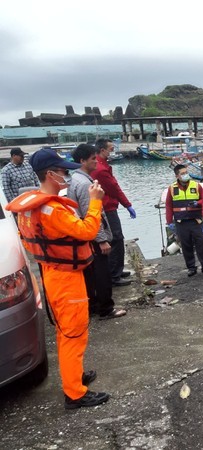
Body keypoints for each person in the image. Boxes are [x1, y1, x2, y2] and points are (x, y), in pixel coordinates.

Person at [6, 148, 110, 409]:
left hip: (52, 273)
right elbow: (87, 231)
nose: (67, 175)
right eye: (63, 171)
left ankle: (73, 376)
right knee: (74, 334)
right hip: (66, 279)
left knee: (67, 332)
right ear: (51, 174)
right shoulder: (53, 210)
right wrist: (95, 200)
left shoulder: (30, 207)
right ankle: (75, 393)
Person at [68, 144, 127, 320]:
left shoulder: (75, 180)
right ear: (82, 160)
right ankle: (106, 308)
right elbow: (91, 214)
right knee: (102, 273)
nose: (96, 161)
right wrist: (101, 239)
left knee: (91, 274)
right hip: (93, 235)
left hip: (84, 235)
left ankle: (93, 305)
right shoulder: (86, 184)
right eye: (93, 158)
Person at [91, 138, 135, 287]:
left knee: (114, 239)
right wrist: (127, 204)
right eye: (110, 148)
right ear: (102, 150)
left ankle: (116, 269)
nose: (113, 151)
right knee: (116, 239)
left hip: (106, 207)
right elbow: (114, 188)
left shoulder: (101, 165)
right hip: (108, 208)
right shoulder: (101, 169)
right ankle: (115, 274)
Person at [165, 164, 203, 276]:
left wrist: (197, 203)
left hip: (196, 221)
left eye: (186, 172)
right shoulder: (172, 188)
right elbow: (168, 206)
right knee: (186, 245)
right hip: (181, 222)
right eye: (182, 173)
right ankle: (191, 267)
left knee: (201, 243)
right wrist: (169, 221)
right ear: (177, 176)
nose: (185, 175)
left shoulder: (196, 186)